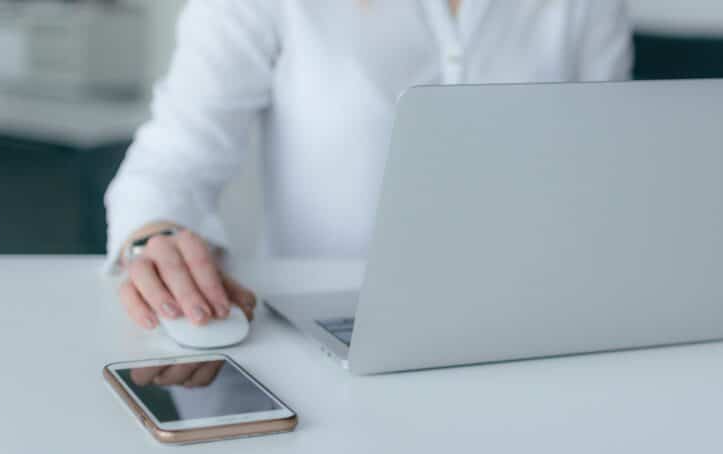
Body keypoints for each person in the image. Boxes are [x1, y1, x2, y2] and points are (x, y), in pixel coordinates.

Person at [106, 0, 634, 330]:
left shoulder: (587, 6)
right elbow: (174, 158)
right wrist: (153, 233)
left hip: (533, 324)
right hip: (324, 329)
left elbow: (607, 176)